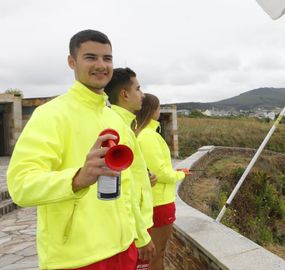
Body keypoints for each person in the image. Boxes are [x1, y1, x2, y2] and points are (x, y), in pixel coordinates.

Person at [7, 29, 153, 270]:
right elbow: (20, 185)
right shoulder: (50, 115)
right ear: (71, 62)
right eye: (90, 57)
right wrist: (77, 178)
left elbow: (129, 186)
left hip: (123, 249)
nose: (101, 65)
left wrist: (140, 234)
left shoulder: (115, 119)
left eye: (107, 58)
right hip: (76, 259)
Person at [104, 67, 158, 266]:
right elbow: (124, 188)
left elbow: (131, 176)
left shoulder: (125, 125)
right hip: (134, 229)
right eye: (138, 89)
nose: (142, 95)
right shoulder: (119, 128)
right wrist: (141, 235)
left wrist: (146, 178)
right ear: (125, 94)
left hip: (134, 226)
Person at [135, 93, 188, 270]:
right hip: (159, 203)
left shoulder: (142, 133)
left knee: (153, 254)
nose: (159, 111)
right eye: (158, 107)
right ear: (153, 110)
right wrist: (180, 175)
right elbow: (160, 172)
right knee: (157, 254)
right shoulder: (148, 136)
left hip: (154, 203)